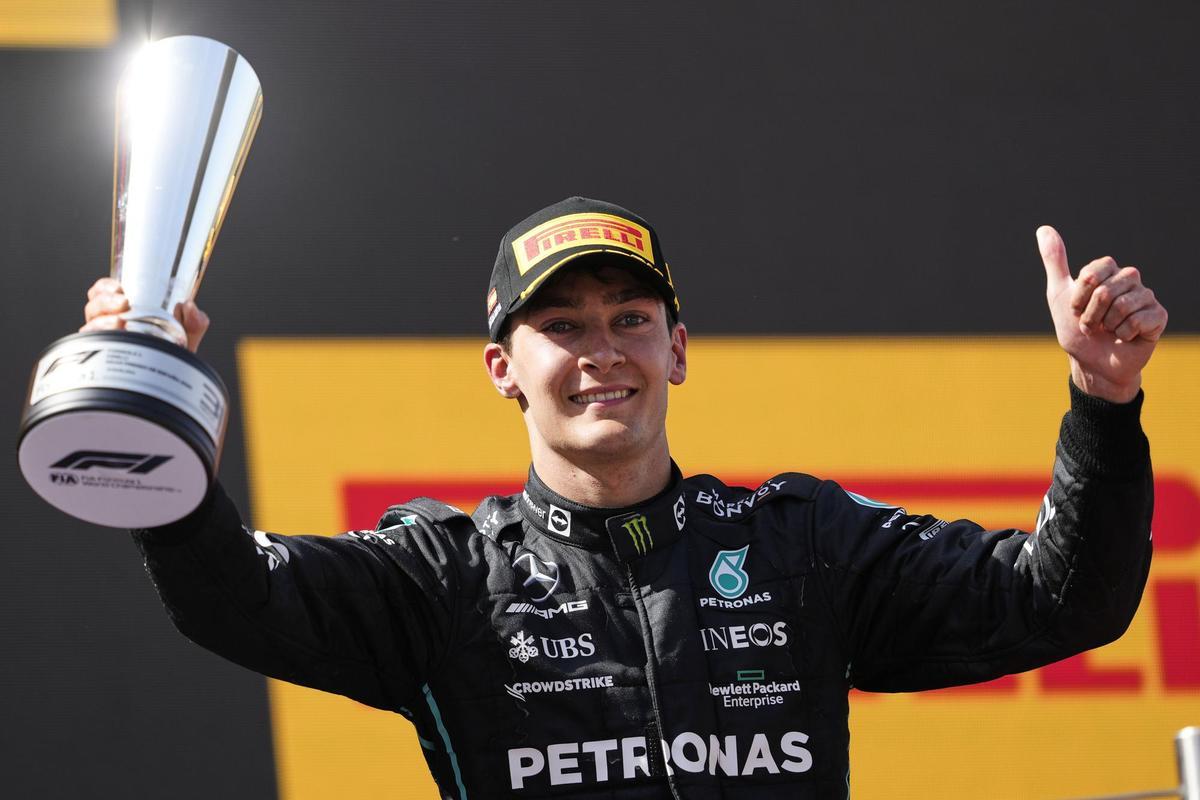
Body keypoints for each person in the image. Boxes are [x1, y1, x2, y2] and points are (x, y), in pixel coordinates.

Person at [81, 197, 1167, 798]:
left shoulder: (802, 546)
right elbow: (233, 596)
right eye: (561, 326)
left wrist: (1103, 400)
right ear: (503, 368)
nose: (602, 352)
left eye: (629, 317)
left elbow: (1063, 599)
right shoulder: (446, 578)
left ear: (678, 347)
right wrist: (149, 406)